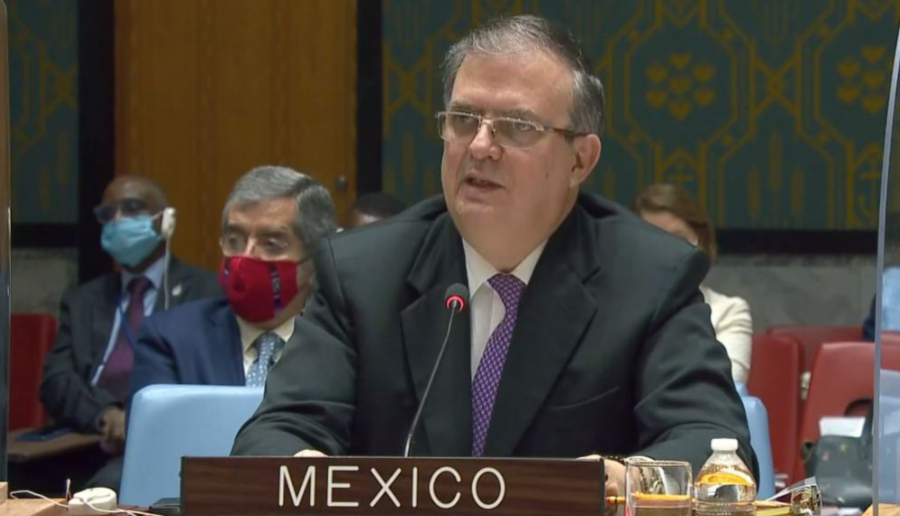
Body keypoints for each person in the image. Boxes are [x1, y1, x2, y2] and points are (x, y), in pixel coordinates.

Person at [232, 15, 756, 492]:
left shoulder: (649, 279)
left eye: (517, 126)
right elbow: (274, 434)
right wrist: (311, 474)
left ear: (580, 160)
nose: (480, 146)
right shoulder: (362, 274)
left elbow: (714, 449)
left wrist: (621, 479)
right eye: (463, 119)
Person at [39, 176, 220, 490]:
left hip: (162, 445)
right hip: (83, 440)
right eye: (108, 214)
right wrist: (105, 413)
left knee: (108, 488)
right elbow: (55, 380)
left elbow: (206, 381)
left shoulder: (206, 293)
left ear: (165, 221)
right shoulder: (82, 300)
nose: (118, 220)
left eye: (132, 208)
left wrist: (137, 418)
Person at [128, 166, 337, 397]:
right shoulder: (171, 339)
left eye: (271, 244)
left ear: (316, 260)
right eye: (234, 240)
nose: (245, 257)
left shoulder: (343, 346)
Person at [632, 183, 753, 384]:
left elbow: (725, 387)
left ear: (702, 242)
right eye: (654, 239)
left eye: (679, 238)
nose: (668, 251)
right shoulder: (615, 310)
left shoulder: (728, 311)